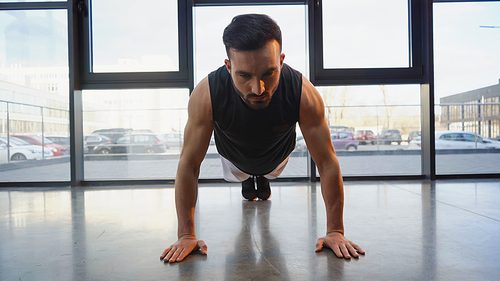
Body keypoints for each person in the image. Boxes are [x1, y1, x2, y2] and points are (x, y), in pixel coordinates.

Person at [160, 13, 365, 263]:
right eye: (244, 76)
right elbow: (189, 165)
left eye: (269, 73)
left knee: (266, 172)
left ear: (281, 61)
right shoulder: (207, 94)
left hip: (276, 159)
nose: (258, 89)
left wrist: (335, 231)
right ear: (228, 66)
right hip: (234, 161)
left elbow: (327, 162)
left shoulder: (303, 94)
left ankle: (261, 178)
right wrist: (185, 235)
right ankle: (250, 179)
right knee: (243, 175)